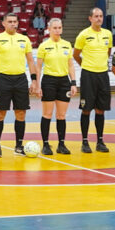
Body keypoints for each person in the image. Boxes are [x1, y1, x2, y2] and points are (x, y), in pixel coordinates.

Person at [0, 12, 39, 157]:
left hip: (21, 79)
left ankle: (19, 145)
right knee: (0, 113)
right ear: (3, 23)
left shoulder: (24, 39)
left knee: (21, 113)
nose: (13, 24)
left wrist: (34, 80)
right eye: (10, 21)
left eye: (15, 21)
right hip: (3, 79)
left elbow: (30, 61)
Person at [73, 7, 113, 153]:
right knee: (86, 109)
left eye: (101, 16)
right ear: (90, 18)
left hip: (103, 75)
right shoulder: (83, 35)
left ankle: (100, 141)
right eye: (96, 16)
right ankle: (85, 142)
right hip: (88, 75)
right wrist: (86, 65)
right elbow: (76, 54)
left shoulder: (108, 34)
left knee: (100, 110)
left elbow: (108, 52)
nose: (99, 19)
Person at [37, 18, 77, 155]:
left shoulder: (67, 45)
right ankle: (46, 144)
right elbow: (38, 67)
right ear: (49, 29)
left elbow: (71, 65)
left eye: (59, 28)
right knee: (47, 114)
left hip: (64, 82)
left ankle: (61, 144)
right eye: (55, 28)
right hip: (49, 81)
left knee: (61, 115)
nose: (57, 30)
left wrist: (73, 82)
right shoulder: (44, 46)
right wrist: (37, 85)